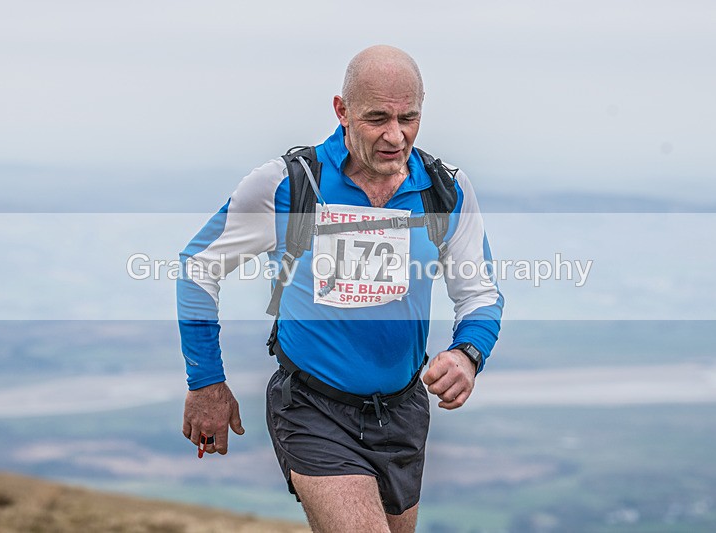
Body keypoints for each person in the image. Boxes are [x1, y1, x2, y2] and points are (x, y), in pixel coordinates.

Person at [177, 45, 503, 533]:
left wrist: (467, 353)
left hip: (403, 411)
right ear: (342, 111)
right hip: (311, 406)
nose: (396, 135)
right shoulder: (288, 185)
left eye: (408, 117)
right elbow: (198, 268)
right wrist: (206, 381)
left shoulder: (445, 190)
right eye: (377, 118)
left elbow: (479, 292)